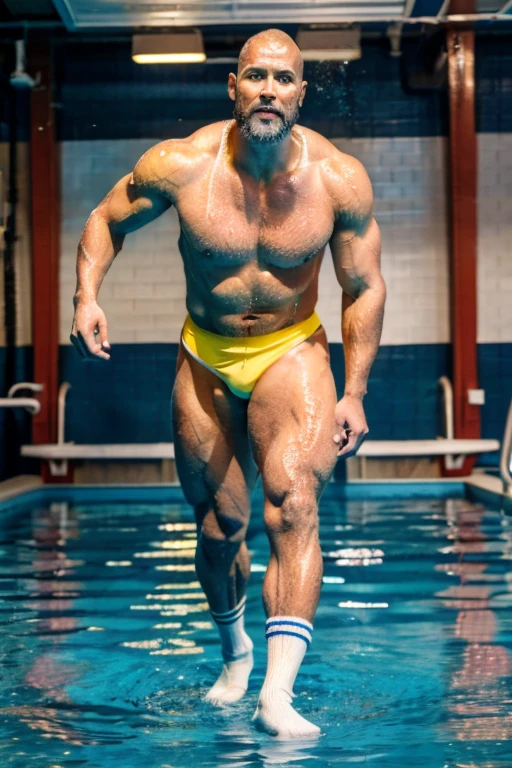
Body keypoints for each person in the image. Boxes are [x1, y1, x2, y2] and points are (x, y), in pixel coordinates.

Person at [71, 28, 386, 739]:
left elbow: (363, 287)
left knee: (295, 502)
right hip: (206, 356)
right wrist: (85, 296)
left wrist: (355, 390)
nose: (269, 90)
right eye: (256, 77)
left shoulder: (338, 179)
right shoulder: (180, 165)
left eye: (284, 79)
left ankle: (277, 692)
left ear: (302, 93)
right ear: (233, 87)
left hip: (291, 350)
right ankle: (235, 649)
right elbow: (103, 219)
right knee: (220, 530)